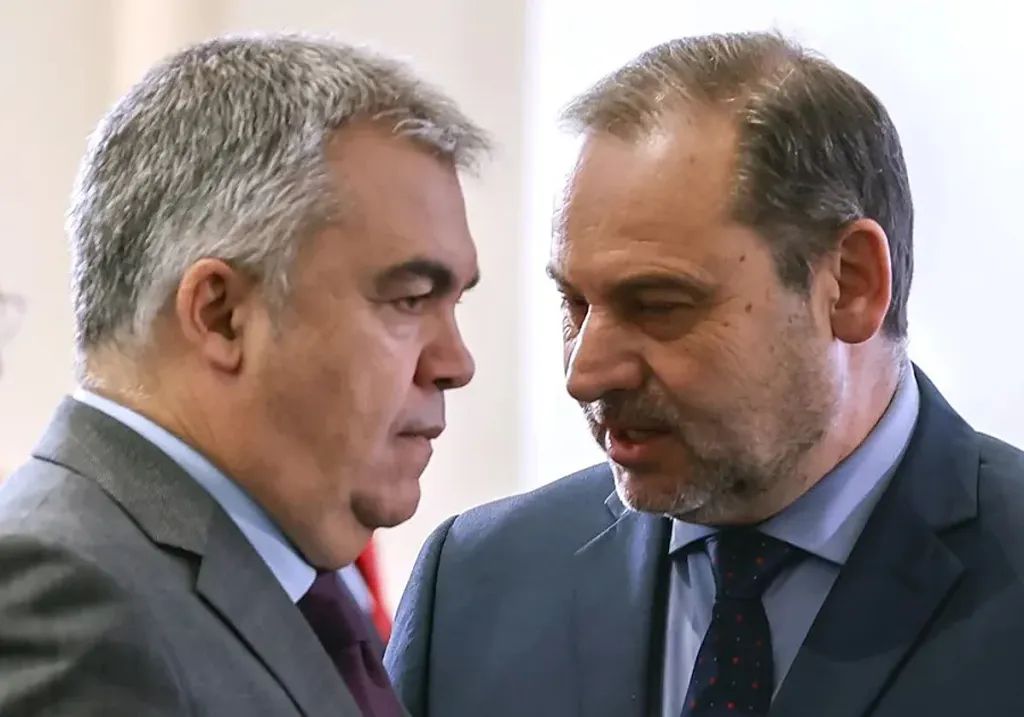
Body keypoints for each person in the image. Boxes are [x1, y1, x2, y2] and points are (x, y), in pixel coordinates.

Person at [385, 31, 1024, 717]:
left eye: (658, 305)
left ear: (850, 283)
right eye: (575, 304)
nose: (585, 372)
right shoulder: (475, 586)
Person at [0, 33, 487, 716]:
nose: (455, 363)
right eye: (408, 299)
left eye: (454, 303)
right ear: (222, 315)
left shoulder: (286, 580)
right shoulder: (64, 594)